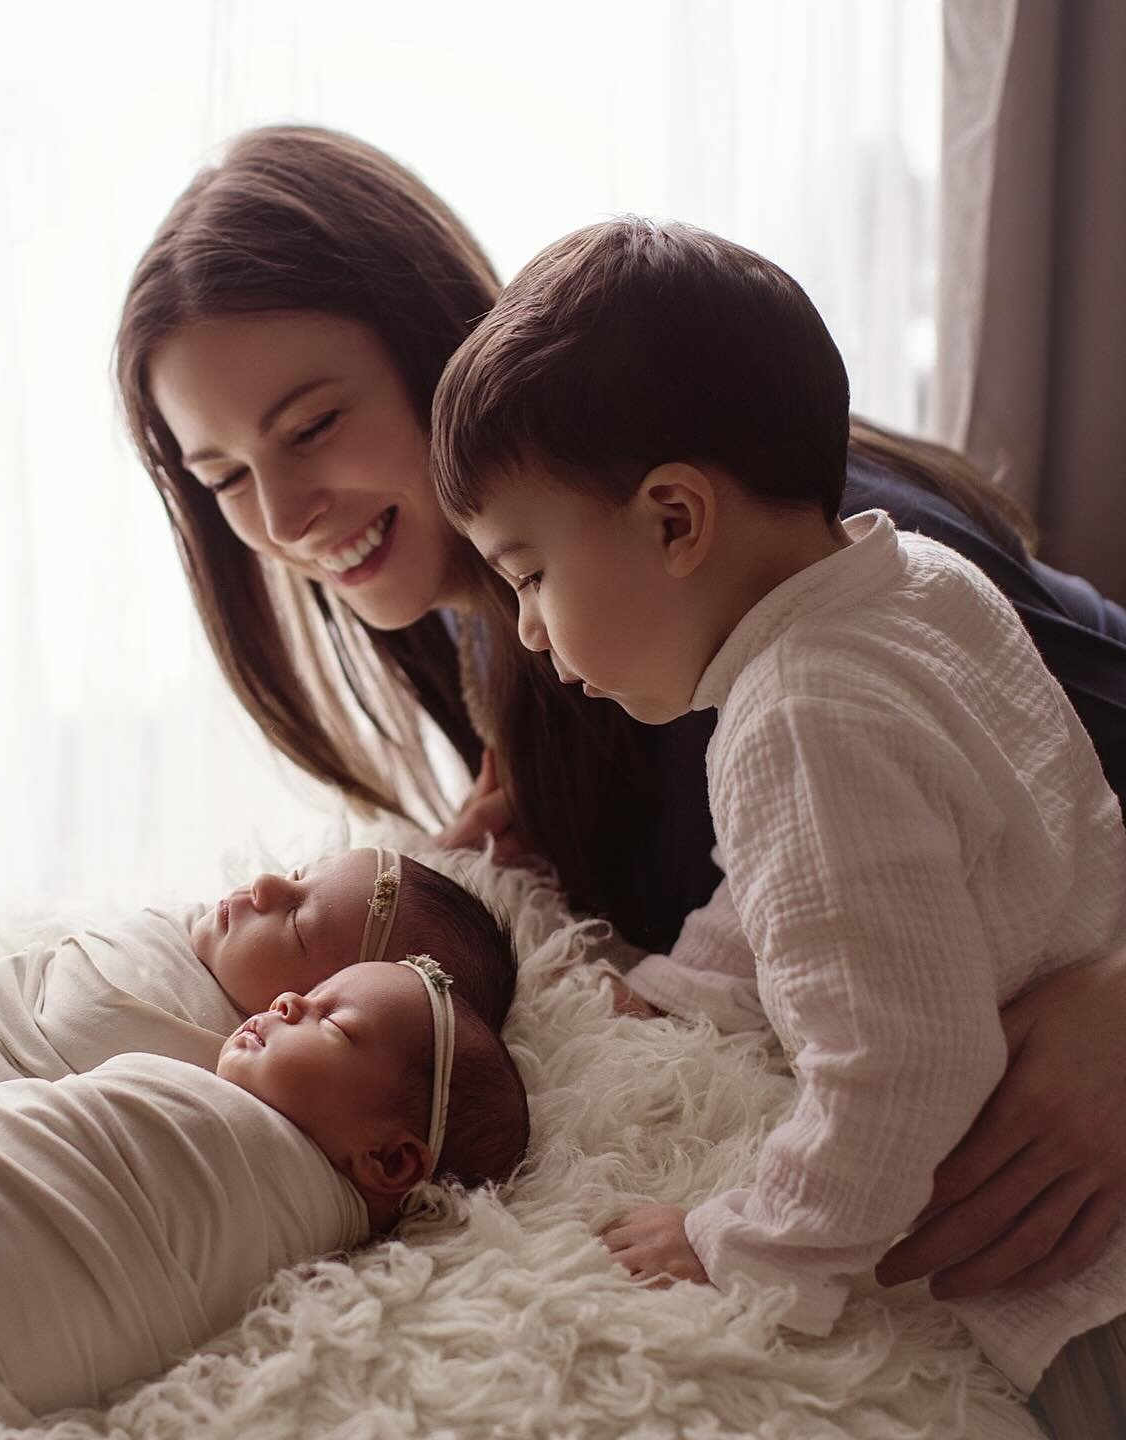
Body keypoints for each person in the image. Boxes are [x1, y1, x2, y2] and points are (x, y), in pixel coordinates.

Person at [114, 123, 1126, 1307]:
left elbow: (1016, 825)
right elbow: (796, 887)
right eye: (225, 477)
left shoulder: (810, 585)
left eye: (311, 427)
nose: (282, 515)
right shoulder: (510, 626)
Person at [429, 214, 1126, 1429]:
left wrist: (739, 1241)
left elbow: (905, 1070)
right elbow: (840, 879)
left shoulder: (793, 718)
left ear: (675, 521)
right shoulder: (913, 583)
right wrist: (688, 980)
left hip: (1071, 1271)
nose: (528, 632)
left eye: (531, 573)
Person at [0, 953, 528, 1431]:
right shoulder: (242, 1149)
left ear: (393, 1163)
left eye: (330, 1019)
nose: (284, 1000)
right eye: (305, 990)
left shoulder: (281, 1195)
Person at [0, 845, 515, 1227]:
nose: (265, 886)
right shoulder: (174, 941)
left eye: (296, 925)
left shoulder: (237, 1084)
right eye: (298, 873)